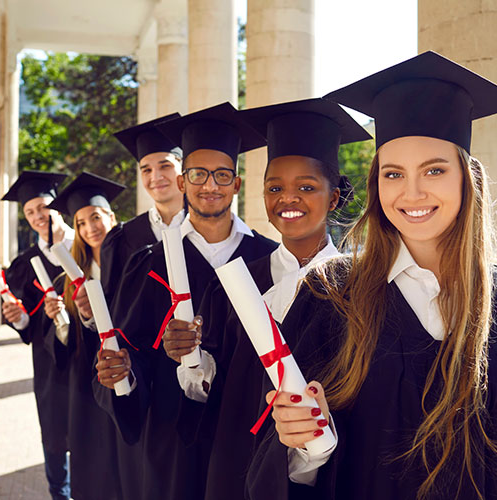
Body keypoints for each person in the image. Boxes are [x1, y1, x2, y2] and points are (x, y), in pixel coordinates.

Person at [248, 51, 497, 500]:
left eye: (434, 169)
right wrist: (300, 446)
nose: (412, 192)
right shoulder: (332, 297)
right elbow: (282, 466)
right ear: (377, 185)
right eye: (393, 174)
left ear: (467, 179)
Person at [161, 97, 371, 500]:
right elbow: (213, 388)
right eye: (275, 188)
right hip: (235, 465)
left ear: (335, 197)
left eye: (306, 187)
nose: (287, 199)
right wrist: (190, 358)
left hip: (323, 475)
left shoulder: (361, 287)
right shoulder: (238, 279)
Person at [93, 102, 278, 500]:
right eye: (197, 174)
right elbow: (132, 350)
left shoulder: (267, 259)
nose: (209, 185)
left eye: (222, 175)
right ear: (182, 183)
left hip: (245, 436)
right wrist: (123, 371)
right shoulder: (149, 263)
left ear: (236, 184)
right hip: (172, 438)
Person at [43, 172, 129, 500]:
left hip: (127, 373)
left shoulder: (132, 262)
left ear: (111, 217)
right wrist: (64, 318)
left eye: (96, 217)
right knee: (93, 465)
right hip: (87, 384)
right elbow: (67, 342)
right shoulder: (72, 273)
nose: (90, 227)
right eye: (80, 223)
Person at [0, 170, 72, 500]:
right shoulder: (26, 263)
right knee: (55, 434)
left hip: (88, 358)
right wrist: (21, 320)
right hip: (49, 362)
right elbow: (26, 322)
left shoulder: (87, 245)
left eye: (42, 207)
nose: (37, 216)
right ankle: (60, 494)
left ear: (56, 206)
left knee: (93, 433)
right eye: (29, 212)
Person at [99, 113, 185, 303]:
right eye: (146, 170)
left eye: (165, 166)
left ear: (182, 168)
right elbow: (114, 305)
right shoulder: (123, 237)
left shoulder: (206, 228)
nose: (155, 177)